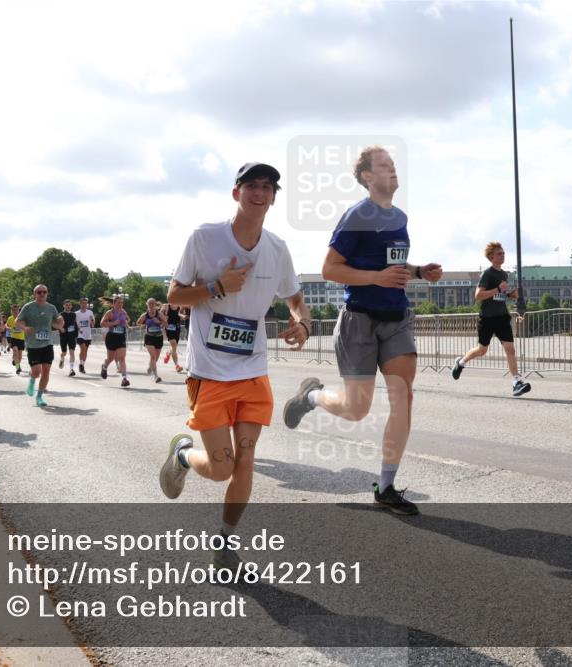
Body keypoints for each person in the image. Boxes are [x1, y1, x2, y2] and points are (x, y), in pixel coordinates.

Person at [159, 162, 310, 569]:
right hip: (209, 372)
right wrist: (217, 287)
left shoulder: (277, 249)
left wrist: (304, 323)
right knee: (222, 468)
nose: (260, 193)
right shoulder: (205, 238)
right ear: (236, 193)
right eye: (252, 186)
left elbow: (294, 297)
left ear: (274, 197)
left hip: (253, 370)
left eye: (268, 187)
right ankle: (183, 456)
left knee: (246, 460)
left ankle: (225, 545)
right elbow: (174, 295)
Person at [280, 146, 442, 517]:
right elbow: (330, 269)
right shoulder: (356, 216)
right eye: (385, 165)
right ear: (368, 176)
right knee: (356, 409)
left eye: (394, 164)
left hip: (397, 316)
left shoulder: (400, 217)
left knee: (404, 397)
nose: (393, 170)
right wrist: (376, 278)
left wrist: (418, 272)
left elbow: (392, 264)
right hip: (359, 321)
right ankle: (313, 396)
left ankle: (385, 487)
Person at [451, 241, 531, 397]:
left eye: (503, 253)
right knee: (482, 350)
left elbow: (498, 297)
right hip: (487, 318)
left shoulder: (504, 274)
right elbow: (479, 296)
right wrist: (498, 289)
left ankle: (516, 382)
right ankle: (461, 362)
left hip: (502, 317)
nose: (503, 255)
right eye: (499, 253)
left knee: (510, 349)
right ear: (491, 256)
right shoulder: (487, 274)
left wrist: (509, 295)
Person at [16, 285, 64, 407]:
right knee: (37, 371)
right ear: (35, 294)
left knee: (46, 371)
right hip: (33, 344)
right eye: (39, 292)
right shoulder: (28, 307)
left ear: (47, 293)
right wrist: (25, 328)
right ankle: (32, 381)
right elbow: (17, 321)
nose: (42, 294)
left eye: (44, 292)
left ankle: (39, 397)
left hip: (47, 343)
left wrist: (60, 321)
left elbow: (58, 320)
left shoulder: (51, 307)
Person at [100, 295, 131, 387]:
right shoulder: (110, 313)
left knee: (122, 358)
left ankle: (124, 379)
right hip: (111, 337)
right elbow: (102, 323)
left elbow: (125, 321)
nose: (120, 304)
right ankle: (104, 366)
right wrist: (113, 323)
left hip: (121, 337)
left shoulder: (123, 312)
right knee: (111, 358)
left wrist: (127, 327)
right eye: (118, 303)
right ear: (113, 304)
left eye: (121, 302)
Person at [137, 298, 166, 383]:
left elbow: (166, 323)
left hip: (159, 337)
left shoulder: (159, 314)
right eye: (150, 304)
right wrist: (142, 325)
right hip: (149, 337)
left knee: (155, 358)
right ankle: (156, 376)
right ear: (147, 305)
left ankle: (150, 367)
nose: (151, 305)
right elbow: (138, 323)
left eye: (153, 303)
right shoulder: (145, 315)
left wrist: (159, 323)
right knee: (153, 356)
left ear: (155, 304)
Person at [75, 297, 96, 374]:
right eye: (83, 303)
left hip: (88, 334)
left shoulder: (90, 312)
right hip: (80, 334)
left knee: (85, 351)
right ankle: (81, 363)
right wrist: (78, 329)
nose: (84, 305)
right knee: (83, 348)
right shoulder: (76, 313)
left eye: (86, 303)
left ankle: (82, 365)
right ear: (80, 304)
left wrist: (92, 320)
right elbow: (75, 324)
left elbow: (93, 324)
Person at [58, 299, 79, 376]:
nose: (68, 306)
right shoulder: (60, 314)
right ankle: (62, 359)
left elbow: (75, 325)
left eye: (69, 305)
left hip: (71, 336)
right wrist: (60, 328)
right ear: (63, 306)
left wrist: (76, 335)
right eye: (66, 305)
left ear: (71, 306)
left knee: (72, 352)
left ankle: (71, 369)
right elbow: (56, 324)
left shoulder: (74, 315)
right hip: (63, 336)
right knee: (64, 352)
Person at [162, 304, 185, 373]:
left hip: (177, 328)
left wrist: (184, 316)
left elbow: (181, 316)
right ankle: (177, 365)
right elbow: (160, 315)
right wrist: (164, 317)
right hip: (169, 328)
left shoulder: (180, 306)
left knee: (174, 347)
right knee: (174, 345)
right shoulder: (166, 306)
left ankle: (168, 353)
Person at [6, 304, 26, 375]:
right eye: (13, 310)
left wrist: (23, 327)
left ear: (19, 311)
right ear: (11, 311)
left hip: (21, 338)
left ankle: (16, 361)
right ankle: (18, 368)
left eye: (16, 310)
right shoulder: (10, 318)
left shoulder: (22, 318)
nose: (15, 311)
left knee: (19, 356)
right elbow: (7, 325)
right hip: (13, 338)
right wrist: (8, 328)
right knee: (15, 351)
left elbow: (26, 325)